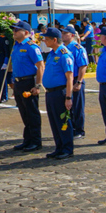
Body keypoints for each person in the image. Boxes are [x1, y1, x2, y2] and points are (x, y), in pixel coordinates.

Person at [9, 21, 44, 152]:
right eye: (14, 30)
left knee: (32, 112)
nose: (14, 32)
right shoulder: (16, 46)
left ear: (26, 33)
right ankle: (27, 139)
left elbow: (41, 66)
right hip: (18, 82)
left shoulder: (31, 47)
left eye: (17, 30)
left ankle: (36, 141)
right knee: (24, 112)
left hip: (29, 82)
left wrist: (38, 85)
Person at [40, 28, 74, 160]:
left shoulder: (64, 54)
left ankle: (67, 149)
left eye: (47, 39)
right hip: (50, 93)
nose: (44, 41)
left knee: (63, 121)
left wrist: (68, 97)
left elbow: (69, 77)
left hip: (60, 92)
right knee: (54, 122)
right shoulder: (51, 54)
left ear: (55, 40)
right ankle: (59, 147)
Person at [61, 25, 88, 140]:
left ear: (72, 35)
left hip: (75, 78)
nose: (62, 35)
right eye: (62, 33)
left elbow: (83, 66)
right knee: (68, 107)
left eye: (65, 34)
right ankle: (70, 128)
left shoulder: (77, 48)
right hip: (66, 80)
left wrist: (79, 81)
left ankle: (79, 130)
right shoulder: (62, 48)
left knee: (77, 106)